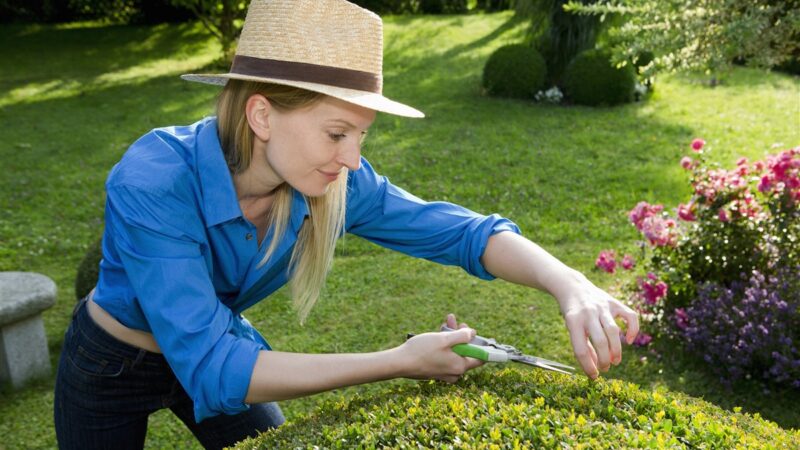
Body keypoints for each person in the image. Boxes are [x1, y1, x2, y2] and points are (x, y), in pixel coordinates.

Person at [53, 0, 639, 448]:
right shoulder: (154, 180)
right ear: (261, 113)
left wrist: (569, 283)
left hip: (223, 346)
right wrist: (402, 360)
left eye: (361, 136)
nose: (353, 159)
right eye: (338, 134)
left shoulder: (332, 183)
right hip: (111, 363)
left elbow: (462, 234)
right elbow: (212, 369)